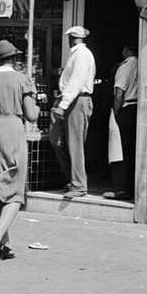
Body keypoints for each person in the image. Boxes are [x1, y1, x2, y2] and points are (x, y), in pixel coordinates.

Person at [0, 40, 39, 267]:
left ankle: (2, 247)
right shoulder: (21, 80)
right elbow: (31, 115)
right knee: (15, 191)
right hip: (12, 131)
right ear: (14, 58)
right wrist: (40, 108)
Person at [51, 26, 96, 198]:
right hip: (70, 99)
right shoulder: (76, 54)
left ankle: (78, 184)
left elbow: (76, 82)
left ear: (71, 37)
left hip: (77, 100)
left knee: (75, 144)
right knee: (58, 140)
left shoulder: (82, 55)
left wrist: (63, 104)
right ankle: (72, 179)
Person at [104, 41, 138, 200]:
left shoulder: (124, 67)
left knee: (119, 150)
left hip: (125, 109)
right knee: (131, 150)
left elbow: (119, 93)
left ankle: (121, 189)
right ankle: (130, 187)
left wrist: (115, 113)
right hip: (137, 109)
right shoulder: (141, 64)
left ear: (125, 50)